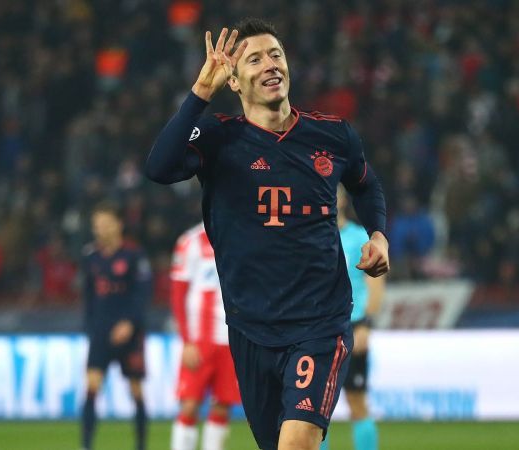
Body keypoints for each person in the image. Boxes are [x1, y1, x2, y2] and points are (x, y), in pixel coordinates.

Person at [144, 18, 389, 450]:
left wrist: (379, 235)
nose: (270, 64)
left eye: (275, 54)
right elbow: (159, 167)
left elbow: (366, 185)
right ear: (234, 82)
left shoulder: (332, 135)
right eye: (253, 59)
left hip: (320, 321)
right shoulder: (220, 137)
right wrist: (200, 93)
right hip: (250, 327)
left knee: (297, 444)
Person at [80, 201, 152, 450]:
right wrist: (91, 328)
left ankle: (141, 445)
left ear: (118, 225)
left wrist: (130, 323)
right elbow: (88, 296)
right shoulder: (90, 257)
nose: (100, 229)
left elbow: (142, 295)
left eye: (105, 224)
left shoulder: (134, 255)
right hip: (100, 332)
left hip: (129, 333)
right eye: (97, 225)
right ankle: (86, 445)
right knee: (91, 387)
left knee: (136, 391)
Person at [321, 188, 385, 450]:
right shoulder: (312, 236)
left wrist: (366, 325)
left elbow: (376, 285)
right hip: (319, 330)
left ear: (345, 199)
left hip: (353, 327)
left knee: (357, 402)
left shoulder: (360, 236)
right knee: (314, 409)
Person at [170, 222, 242, 450]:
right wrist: (187, 341)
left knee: (222, 405)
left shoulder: (244, 235)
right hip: (200, 340)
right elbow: (178, 295)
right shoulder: (190, 241)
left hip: (232, 338)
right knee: (190, 405)